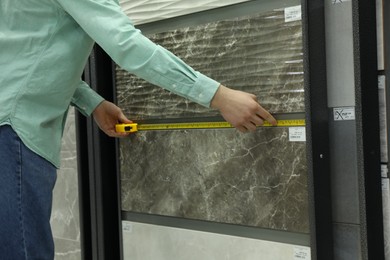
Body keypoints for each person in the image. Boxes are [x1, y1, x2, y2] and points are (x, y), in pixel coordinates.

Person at [0, 0, 277, 259]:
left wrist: (94, 103)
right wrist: (218, 95)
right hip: (12, 133)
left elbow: (25, 52)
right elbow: (126, 45)